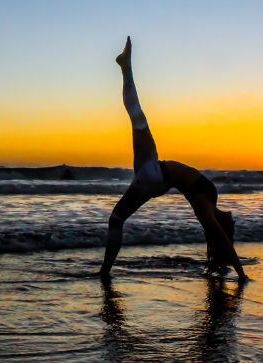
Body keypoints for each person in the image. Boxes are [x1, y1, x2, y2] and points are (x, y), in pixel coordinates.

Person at [100, 37, 249, 281]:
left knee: (138, 117)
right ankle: (104, 272)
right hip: (153, 174)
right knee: (116, 219)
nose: (231, 217)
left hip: (155, 175)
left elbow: (220, 238)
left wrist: (242, 275)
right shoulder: (212, 198)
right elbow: (220, 236)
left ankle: (126, 67)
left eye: (230, 222)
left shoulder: (206, 209)